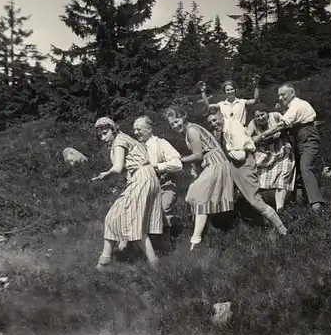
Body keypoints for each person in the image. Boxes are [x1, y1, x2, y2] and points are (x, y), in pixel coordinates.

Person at [92, 117, 163, 270]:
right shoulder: (126, 138)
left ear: (113, 129)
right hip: (147, 177)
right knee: (120, 218)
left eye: (105, 133)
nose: (103, 138)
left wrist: (106, 174)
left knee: (127, 222)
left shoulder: (119, 141)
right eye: (100, 136)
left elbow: (117, 168)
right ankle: (105, 261)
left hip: (141, 178)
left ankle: (153, 263)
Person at [206, 106, 288, 236]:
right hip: (234, 164)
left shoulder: (234, 127)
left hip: (243, 164)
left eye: (215, 120)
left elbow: (241, 155)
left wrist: (226, 151)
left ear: (222, 115)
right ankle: (227, 228)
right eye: (211, 122)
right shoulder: (224, 129)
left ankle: (283, 230)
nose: (214, 124)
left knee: (254, 200)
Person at [163, 106, 235, 251]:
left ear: (183, 117)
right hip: (211, 164)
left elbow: (198, 155)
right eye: (172, 124)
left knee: (199, 197)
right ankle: (206, 231)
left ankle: (196, 240)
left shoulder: (191, 130)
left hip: (216, 163)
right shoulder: (188, 130)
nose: (176, 125)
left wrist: (178, 161)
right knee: (191, 196)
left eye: (177, 121)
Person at [254, 83, 325, 212]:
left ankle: (316, 205)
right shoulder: (291, 107)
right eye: (279, 95)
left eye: (283, 94)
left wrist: (262, 136)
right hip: (299, 139)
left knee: (305, 167)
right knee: (297, 170)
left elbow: (282, 125)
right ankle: (301, 203)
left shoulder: (296, 105)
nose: (280, 98)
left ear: (292, 93)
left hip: (307, 137)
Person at [133, 116, 183, 245]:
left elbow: (178, 164)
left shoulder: (161, 143)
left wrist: (158, 167)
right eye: (134, 130)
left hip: (165, 185)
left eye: (139, 129)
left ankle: (167, 245)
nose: (136, 133)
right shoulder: (136, 148)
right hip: (147, 187)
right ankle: (150, 245)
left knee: (163, 211)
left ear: (149, 129)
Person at [246, 103, 296, 212]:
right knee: (259, 179)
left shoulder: (276, 116)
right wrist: (256, 138)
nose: (260, 118)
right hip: (266, 153)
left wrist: (263, 135)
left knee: (283, 177)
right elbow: (247, 138)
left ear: (267, 113)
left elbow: (285, 124)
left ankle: (280, 209)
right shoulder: (253, 123)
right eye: (257, 116)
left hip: (281, 149)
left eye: (262, 115)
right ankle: (264, 209)